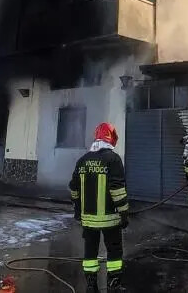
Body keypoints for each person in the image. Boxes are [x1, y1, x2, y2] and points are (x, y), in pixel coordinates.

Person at [69, 122, 129, 293]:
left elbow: (74, 188)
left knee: (90, 252)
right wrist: (124, 213)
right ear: (111, 138)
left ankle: (90, 284)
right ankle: (114, 284)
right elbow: (117, 189)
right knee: (114, 252)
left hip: (88, 219)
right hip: (110, 219)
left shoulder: (82, 161)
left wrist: (77, 211)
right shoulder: (113, 159)